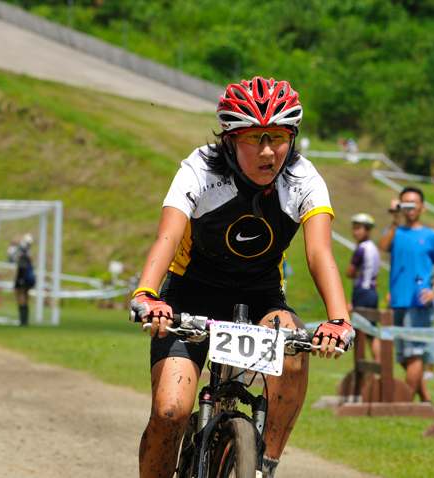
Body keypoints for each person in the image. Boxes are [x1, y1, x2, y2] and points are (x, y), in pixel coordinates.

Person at [130, 76, 354, 478]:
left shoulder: (303, 178)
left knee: (294, 355)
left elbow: (321, 251)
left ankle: (263, 465)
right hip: (190, 296)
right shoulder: (199, 168)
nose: (268, 151)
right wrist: (148, 293)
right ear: (231, 140)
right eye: (254, 138)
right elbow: (169, 234)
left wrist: (338, 319)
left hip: (261, 297)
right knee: (170, 412)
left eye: (278, 137)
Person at [379, 186, 434, 404]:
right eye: (405, 204)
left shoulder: (431, 236)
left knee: (414, 353)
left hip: (419, 303)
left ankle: (405, 401)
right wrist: (394, 218)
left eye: (413, 204)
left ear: (422, 207)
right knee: (403, 354)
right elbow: (383, 246)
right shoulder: (395, 232)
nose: (409, 209)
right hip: (397, 301)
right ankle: (425, 400)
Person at [345, 212, 380, 360]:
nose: (355, 232)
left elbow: (349, 272)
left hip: (362, 292)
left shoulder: (361, 248)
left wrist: (356, 273)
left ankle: (360, 370)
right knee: (372, 331)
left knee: (359, 332)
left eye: (359, 228)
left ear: (368, 230)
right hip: (372, 292)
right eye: (354, 228)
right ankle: (378, 363)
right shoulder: (373, 248)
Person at [10, 234, 35, 326]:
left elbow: (19, 275)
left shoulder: (22, 261)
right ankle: (25, 321)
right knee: (26, 300)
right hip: (28, 283)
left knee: (21, 301)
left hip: (22, 284)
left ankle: (23, 321)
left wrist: (16, 285)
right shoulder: (28, 260)